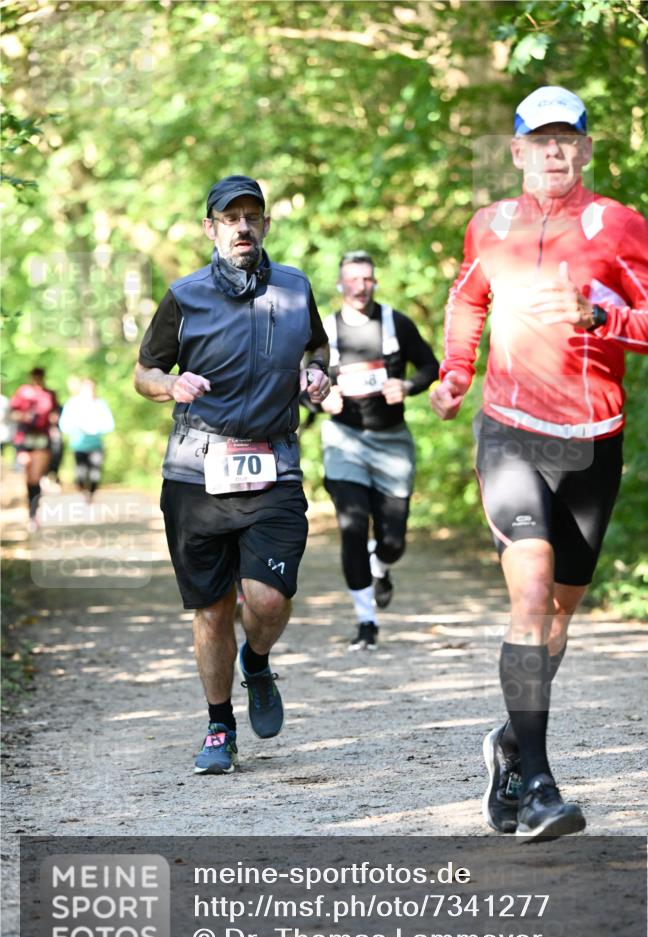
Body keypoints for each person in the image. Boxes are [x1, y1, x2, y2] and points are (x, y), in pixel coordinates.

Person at [430, 85, 648, 841]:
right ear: (517, 151)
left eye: (568, 138)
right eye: (541, 139)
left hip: (592, 439)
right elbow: (468, 299)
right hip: (511, 431)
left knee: (559, 613)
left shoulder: (617, 224)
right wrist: (455, 373)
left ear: (586, 150)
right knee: (529, 593)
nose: (555, 151)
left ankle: (510, 742)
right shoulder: (489, 225)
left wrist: (603, 316)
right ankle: (537, 784)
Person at [134, 174, 330, 776]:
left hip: (274, 463)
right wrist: (171, 385)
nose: (242, 227)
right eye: (230, 217)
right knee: (214, 608)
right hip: (197, 471)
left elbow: (318, 349)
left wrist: (317, 374)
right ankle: (219, 726)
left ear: (265, 224)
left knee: (268, 598)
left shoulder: (295, 288)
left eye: (252, 216)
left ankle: (259, 661)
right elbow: (144, 372)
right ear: (210, 228)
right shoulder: (184, 296)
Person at [320, 251, 438, 650]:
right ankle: (366, 622)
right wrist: (320, 400)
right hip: (344, 441)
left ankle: (381, 565)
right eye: (353, 279)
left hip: (391, 442)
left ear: (375, 283)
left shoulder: (395, 323)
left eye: (367, 279)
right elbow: (302, 382)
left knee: (394, 539)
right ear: (341, 284)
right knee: (353, 527)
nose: (360, 287)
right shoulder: (325, 331)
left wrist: (407, 386)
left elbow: (430, 367)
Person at [9, 367, 60, 529]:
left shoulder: (49, 394)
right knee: (28, 476)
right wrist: (25, 416)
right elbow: (12, 413)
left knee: (36, 477)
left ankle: (33, 513)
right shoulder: (23, 392)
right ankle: (29, 508)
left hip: (42, 438)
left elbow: (55, 414)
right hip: (24, 438)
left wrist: (53, 421)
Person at [59, 378, 115, 501]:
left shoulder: (100, 404)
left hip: (96, 445)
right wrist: (77, 427)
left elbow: (109, 425)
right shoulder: (72, 404)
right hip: (79, 445)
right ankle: (83, 491)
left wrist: (96, 429)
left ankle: (91, 493)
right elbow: (63, 425)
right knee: (81, 473)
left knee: (95, 474)